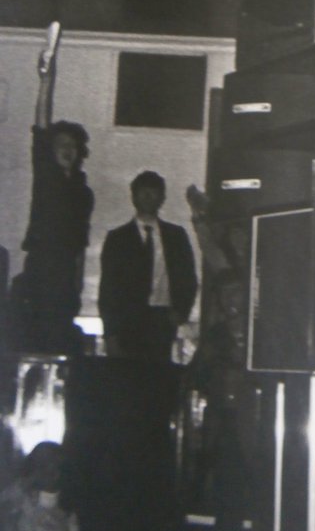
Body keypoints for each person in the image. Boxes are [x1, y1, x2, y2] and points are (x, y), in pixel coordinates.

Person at [16, 27, 94, 354]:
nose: (67, 149)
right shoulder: (46, 176)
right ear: (51, 150)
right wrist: (46, 80)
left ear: (79, 152)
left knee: (60, 347)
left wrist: (76, 286)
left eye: (72, 146)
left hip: (65, 280)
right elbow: (42, 126)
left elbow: (80, 245)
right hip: (39, 272)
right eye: (61, 144)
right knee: (30, 342)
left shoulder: (83, 192)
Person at [98, 170, 198, 362]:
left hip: (162, 321)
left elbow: (188, 278)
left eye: (153, 192)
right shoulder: (117, 239)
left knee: (157, 374)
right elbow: (108, 289)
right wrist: (110, 334)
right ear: (133, 196)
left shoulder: (176, 236)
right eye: (143, 192)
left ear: (162, 198)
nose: (148, 197)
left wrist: (181, 312)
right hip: (127, 323)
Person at [0, 441, 85, 531]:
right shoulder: (21, 502)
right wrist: (27, 483)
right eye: (42, 465)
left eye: (55, 465)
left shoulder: (67, 516)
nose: (49, 472)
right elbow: (5, 503)